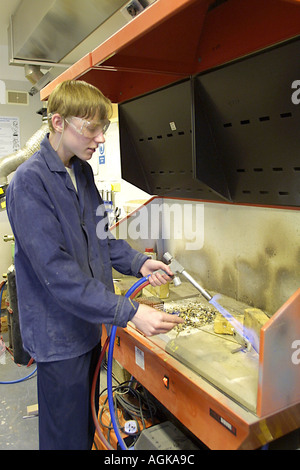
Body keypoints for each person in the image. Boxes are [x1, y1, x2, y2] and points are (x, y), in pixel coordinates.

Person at [6, 80, 184, 450]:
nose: (100, 138)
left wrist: (140, 263)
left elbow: (101, 238)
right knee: (64, 439)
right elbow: (58, 273)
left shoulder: (81, 172)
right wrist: (128, 311)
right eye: (91, 128)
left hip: (87, 326)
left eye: (102, 128)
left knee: (84, 431)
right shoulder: (28, 183)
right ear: (57, 122)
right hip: (58, 336)